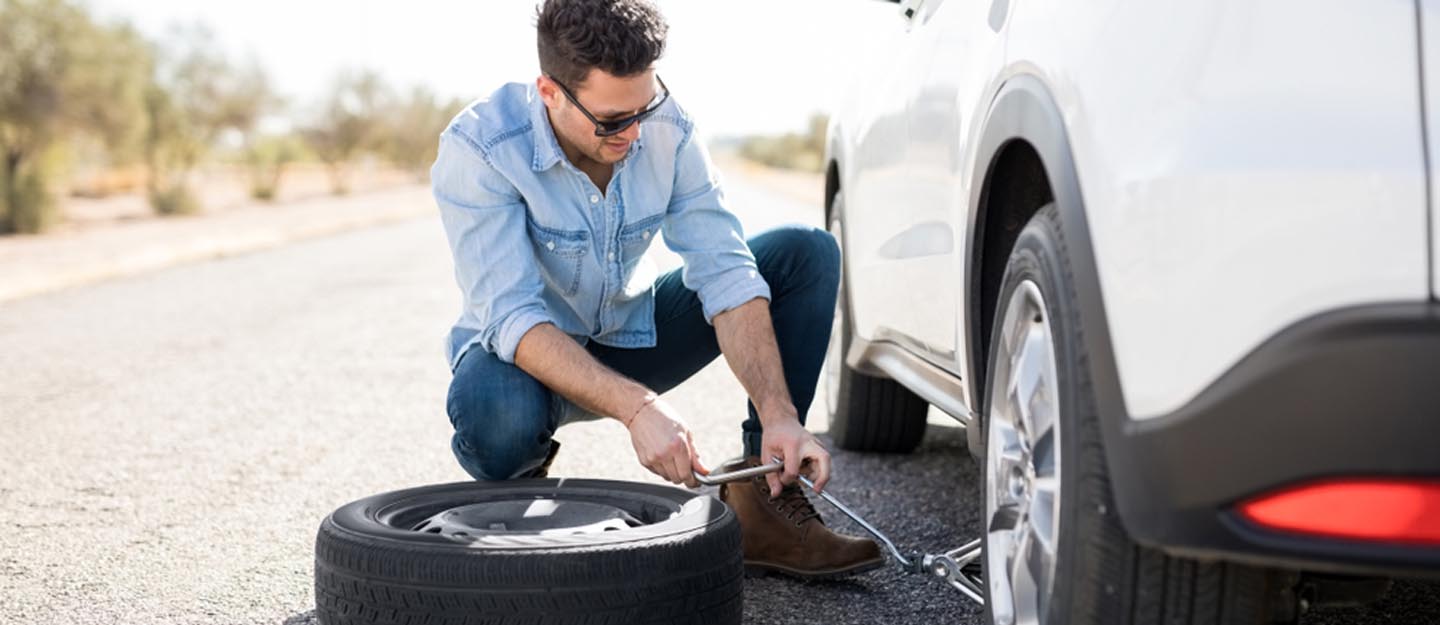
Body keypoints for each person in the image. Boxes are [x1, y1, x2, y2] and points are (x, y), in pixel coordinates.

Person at [431, 0, 882, 579]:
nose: (635, 131)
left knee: (804, 253)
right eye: (613, 120)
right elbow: (513, 317)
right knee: (497, 415)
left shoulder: (668, 129)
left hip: (628, 331)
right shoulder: (480, 148)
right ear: (550, 92)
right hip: (523, 362)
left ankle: (762, 498)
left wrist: (780, 413)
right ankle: (520, 498)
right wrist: (638, 408)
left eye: (645, 106)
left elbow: (725, 271)